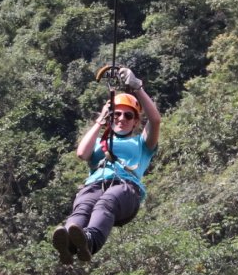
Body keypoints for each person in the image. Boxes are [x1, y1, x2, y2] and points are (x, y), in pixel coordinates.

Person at [53, 68, 160, 263]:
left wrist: (137, 87)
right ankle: (69, 244)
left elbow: (155, 120)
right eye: (117, 114)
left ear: (136, 121)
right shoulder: (99, 142)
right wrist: (100, 121)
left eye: (128, 116)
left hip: (126, 189)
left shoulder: (142, 143)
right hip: (95, 185)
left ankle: (90, 241)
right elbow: (81, 153)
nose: (122, 118)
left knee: (107, 201)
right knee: (83, 206)